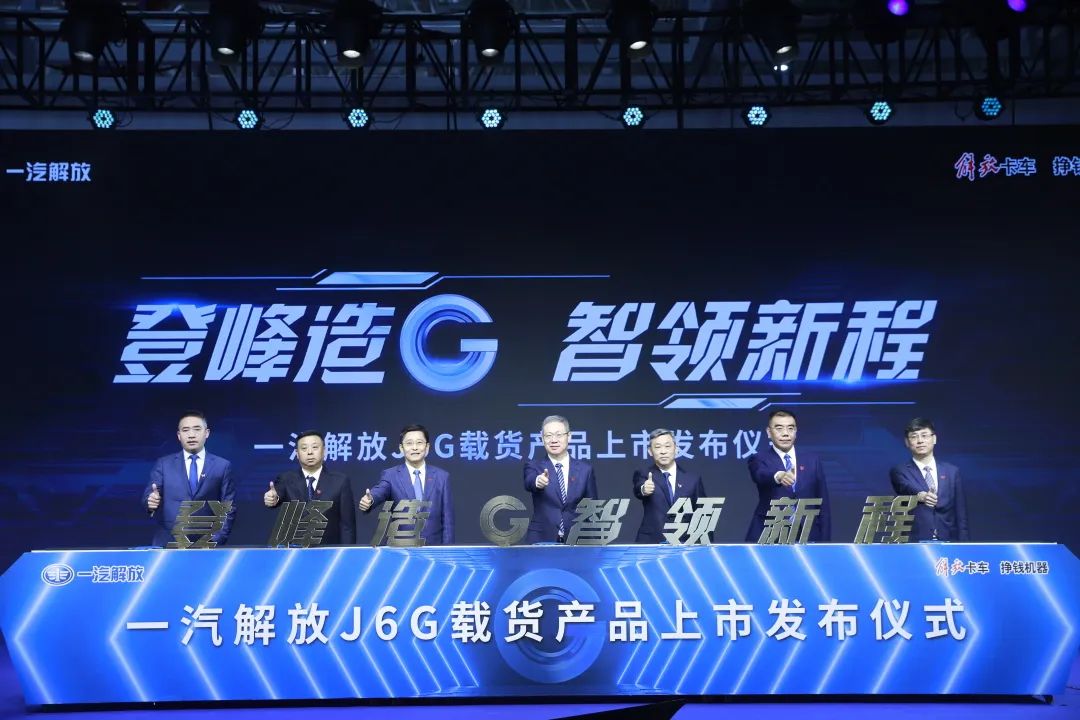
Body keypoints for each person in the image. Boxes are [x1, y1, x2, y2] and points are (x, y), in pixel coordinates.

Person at [142, 410, 236, 547]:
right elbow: (148, 497)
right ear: (179, 436)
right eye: (185, 430)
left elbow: (228, 506)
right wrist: (150, 502)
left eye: (197, 429)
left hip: (207, 545)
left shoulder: (222, 466)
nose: (191, 435)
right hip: (169, 544)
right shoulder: (163, 464)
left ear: (207, 433)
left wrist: (217, 539)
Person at [359, 424, 454, 545]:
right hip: (402, 549)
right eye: (409, 443)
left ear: (427, 447)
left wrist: (448, 551)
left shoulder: (442, 477)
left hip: (433, 549)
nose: (414, 447)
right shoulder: (391, 475)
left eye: (419, 443)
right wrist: (370, 499)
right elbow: (380, 491)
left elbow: (448, 521)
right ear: (401, 448)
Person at [745, 409, 831, 542]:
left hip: (808, 533)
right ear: (769, 432)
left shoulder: (812, 460)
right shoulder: (759, 459)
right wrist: (778, 476)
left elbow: (823, 503)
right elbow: (760, 474)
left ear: (796, 432)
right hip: (771, 533)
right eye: (779, 428)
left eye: (790, 428)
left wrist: (825, 541)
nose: (785, 433)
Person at [263, 430, 356, 545]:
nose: (310, 452)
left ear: (324, 451)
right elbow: (277, 494)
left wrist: (347, 552)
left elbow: (347, 526)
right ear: (297, 453)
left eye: (315, 447)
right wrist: (273, 498)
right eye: (304, 448)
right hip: (295, 550)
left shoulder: (340, 481)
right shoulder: (286, 479)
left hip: (329, 551)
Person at [889, 418, 969, 541]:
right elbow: (906, 488)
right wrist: (921, 496)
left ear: (934, 439)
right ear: (907, 442)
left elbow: (960, 513)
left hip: (948, 539)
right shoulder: (899, 471)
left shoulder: (952, 471)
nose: (920, 441)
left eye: (924, 435)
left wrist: (964, 544)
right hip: (915, 540)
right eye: (914, 437)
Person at [523, 414, 598, 543]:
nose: (554, 440)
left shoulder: (585, 470)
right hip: (541, 539)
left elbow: (592, 509)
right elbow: (529, 481)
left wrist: (594, 542)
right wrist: (538, 482)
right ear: (542, 439)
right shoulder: (534, 466)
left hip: (577, 540)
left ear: (569, 436)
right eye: (548, 436)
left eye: (559, 435)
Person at [633, 428, 708, 543]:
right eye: (658, 447)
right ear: (650, 451)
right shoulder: (644, 474)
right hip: (651, 542)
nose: (663, 451)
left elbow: (702, 514)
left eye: (667, 446)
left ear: (676, 449)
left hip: (684, 543)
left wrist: (706, 546)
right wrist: (644, 489)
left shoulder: (692, 480)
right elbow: (638, 488)